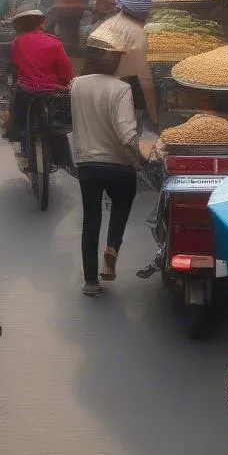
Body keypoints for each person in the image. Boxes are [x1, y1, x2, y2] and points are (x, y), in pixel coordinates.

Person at [70, 29, 145, 296]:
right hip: (119, 166)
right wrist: (141, 158)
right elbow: (126, 133)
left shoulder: (77, 85)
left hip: (87, 165)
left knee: (91, 220)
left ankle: (90, 282)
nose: (119, 61)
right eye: (117, 56)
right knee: (122, 204)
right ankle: (112, 247)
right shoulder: (122, 88)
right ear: (110, 59)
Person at [93, 0, 158, 126]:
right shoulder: (138, 34)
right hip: (122, 97)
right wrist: (154, 116)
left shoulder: (111, 23)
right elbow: (146, 82)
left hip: (102, 93)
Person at [7, 9, 74, 144]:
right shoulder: (54, 43)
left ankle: (14, 132)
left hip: (26, 91)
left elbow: (16, 66)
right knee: (64, 124)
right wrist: (67, 84)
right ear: (41, 24)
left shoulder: (17, 43)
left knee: (16, 108)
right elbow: (65, 71)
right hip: (54, 93)